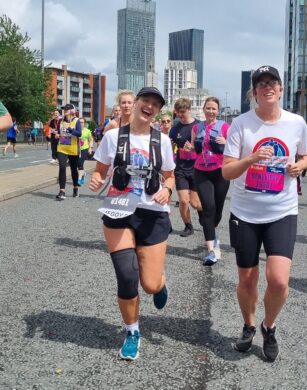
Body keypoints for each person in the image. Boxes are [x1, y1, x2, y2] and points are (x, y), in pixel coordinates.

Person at [222, 65, 307, 362]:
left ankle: (268, 326)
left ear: (280, 88)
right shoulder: (241, 124)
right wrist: (251, 158)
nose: (267, 86)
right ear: (254, 92)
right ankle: (249, 325)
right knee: (247, 280)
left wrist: (302, 166)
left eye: (272, 81)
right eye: (261, 83)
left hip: (282, 211)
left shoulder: (297, 123)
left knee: (279, 281)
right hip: (245, 212)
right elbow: (226, 171)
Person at [89, 87, 175, 361]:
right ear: (135, 104)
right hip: (118, 210)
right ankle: (132, 331)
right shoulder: (113, 137)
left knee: (148, 284)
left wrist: (168, 190)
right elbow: (100, 171)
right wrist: (96, 180)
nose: (149, 106)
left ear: (157, 111)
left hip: (153, 212)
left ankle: (160, 284)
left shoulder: (161, 141)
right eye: (145, 101)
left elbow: (170, 176)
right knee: (127, 276)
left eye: (155, 104)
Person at [184, 97, 230, 265]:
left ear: (218, 111)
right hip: (201, 171)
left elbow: (234, 148)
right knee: (208, 209)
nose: (211, 111)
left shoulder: (225, 127)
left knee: (217, 212)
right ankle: (211, 250)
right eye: (208, 108)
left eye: (214, 109)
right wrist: (189, 148)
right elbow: (194, 151)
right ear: (203, 109)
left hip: (220, 172)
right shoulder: (196, 128)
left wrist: (226, 142)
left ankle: (212, 230)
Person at [169, 98, 202, 237]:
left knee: (195, 203)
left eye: (183, 112)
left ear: (189, 110)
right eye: (178, 113)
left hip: (196, 168)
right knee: (183, 200)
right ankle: (188, 226)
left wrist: (194, 149)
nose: (181, 115)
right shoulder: (174, 129)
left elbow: (206, 147)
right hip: (181, 168)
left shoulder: (199, 126)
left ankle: (204, 214)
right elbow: (170, 148)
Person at [55, 104, 82, 200]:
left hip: (73, 149)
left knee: (74, 170)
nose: (65, 110)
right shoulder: (60, 121)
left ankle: (75, 187)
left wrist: (71, 130)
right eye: (64, 109)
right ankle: (62, 191)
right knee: (62, 167)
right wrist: (57, 135)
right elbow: (58, 132)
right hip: (62, 148)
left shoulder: (76, 121)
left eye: (67, 109)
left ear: (72, 110)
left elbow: (79, 133)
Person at [77, 118, 94, 185]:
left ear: (84, 123)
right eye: (79, 122)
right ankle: (83, 174)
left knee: (80, 163)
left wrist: (90, 148)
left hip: (84, 149)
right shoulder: (75, 130)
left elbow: (91, 140)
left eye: (82, 122)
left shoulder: (87, 131)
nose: (80, 123)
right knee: (77, 164)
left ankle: (79, 179)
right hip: (76, 149)